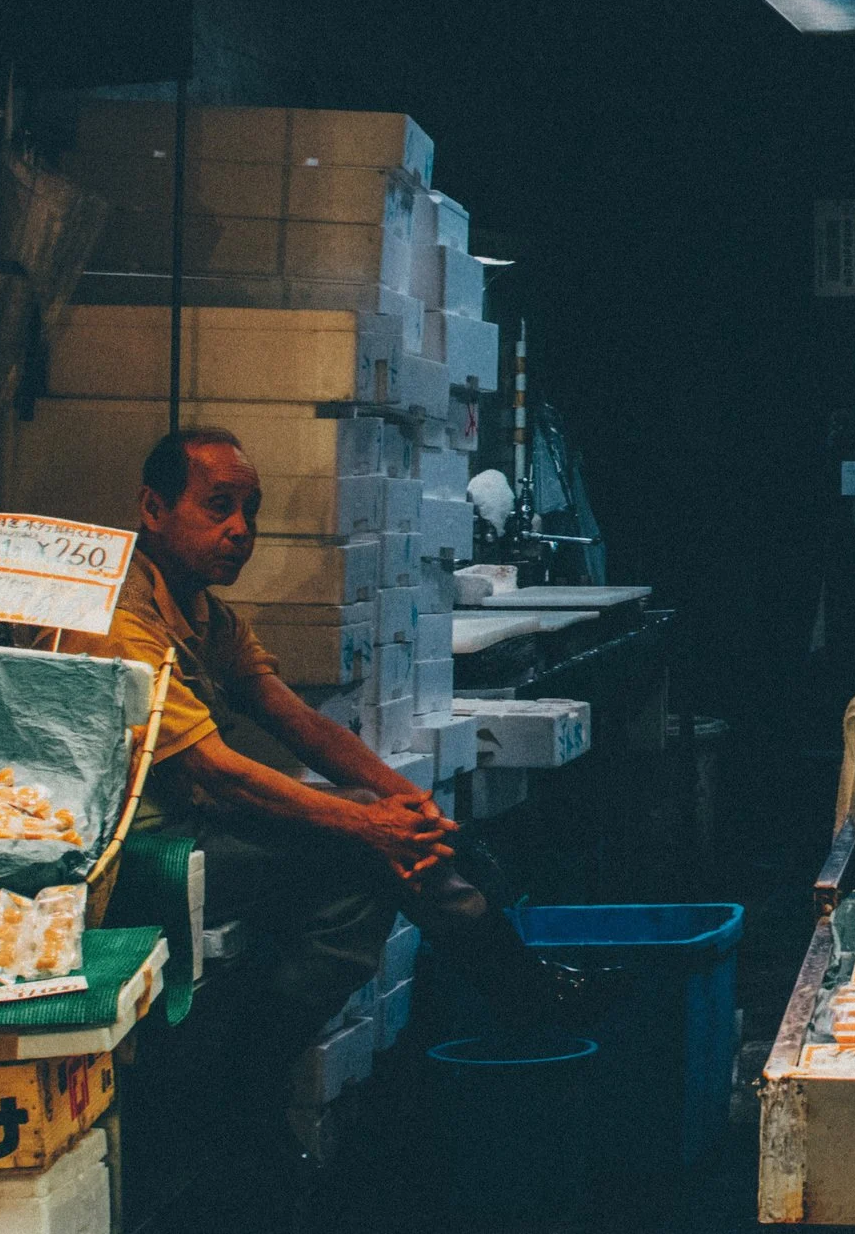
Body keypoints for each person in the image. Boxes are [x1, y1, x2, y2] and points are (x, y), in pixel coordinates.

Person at [62, 427, 598, 1192]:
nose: (239, 530)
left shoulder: (204, 613)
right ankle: (517, 986)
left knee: (373, 843)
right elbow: (218, 774)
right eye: (218, 507)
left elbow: (297, 720)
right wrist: (370, 824)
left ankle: (253, 1077)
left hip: (197, 822)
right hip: (139, 847)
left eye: (249, 510)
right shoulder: (118, 614)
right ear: (153, 506)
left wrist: (402, 801)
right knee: (363, 848)